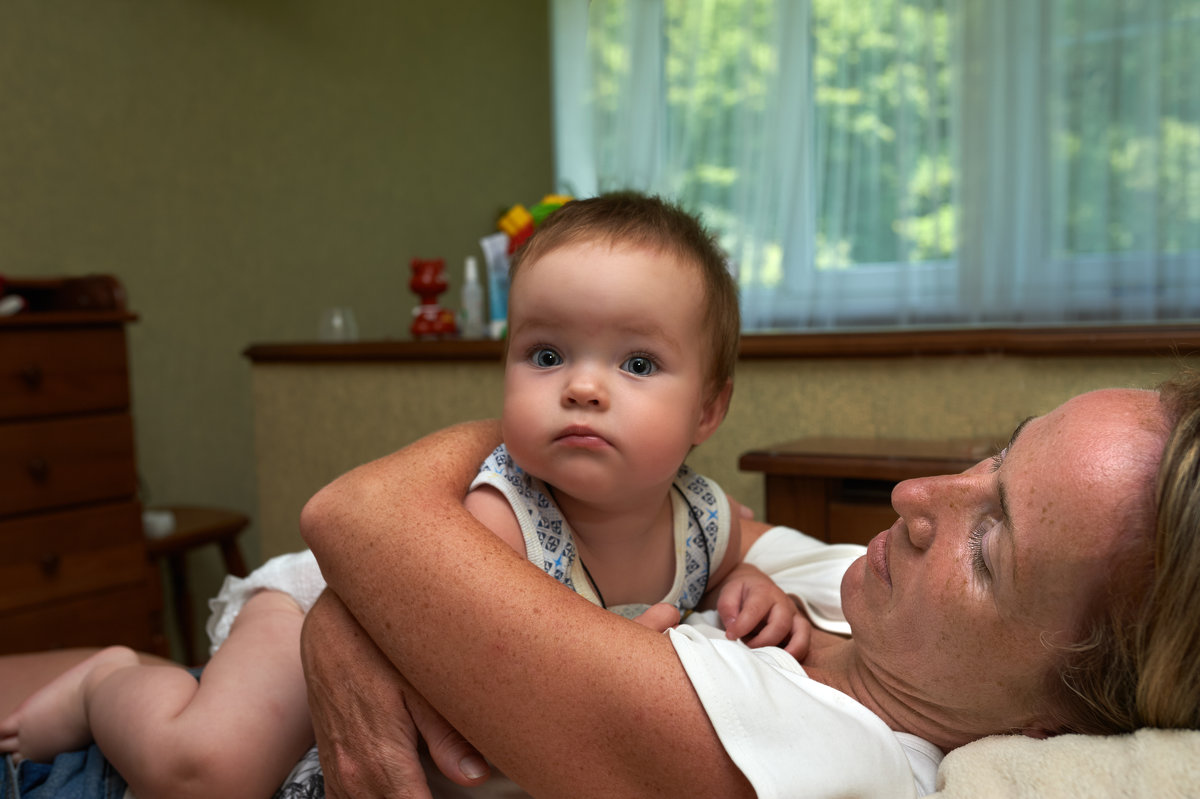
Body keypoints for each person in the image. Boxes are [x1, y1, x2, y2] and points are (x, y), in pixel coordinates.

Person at [0, 193, 806, 799]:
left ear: (708, 408)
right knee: (210, 768)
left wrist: (752, 589)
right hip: (326, 606)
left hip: (390, 631)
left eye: (636, 364)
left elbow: (742, 555)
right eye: (548, 352)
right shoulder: (505, 517)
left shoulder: (703, 516)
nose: (584, 386)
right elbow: (499, 651)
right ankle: (106, 681)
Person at [288, 369, 1200, 798]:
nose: (916, 498)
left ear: (1060, 718)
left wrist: (560, 407)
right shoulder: (859, 593)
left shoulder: (825, 759)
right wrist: (369, 609)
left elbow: (355, 513)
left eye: (990, 550)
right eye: (997, 455)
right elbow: (679, 519)